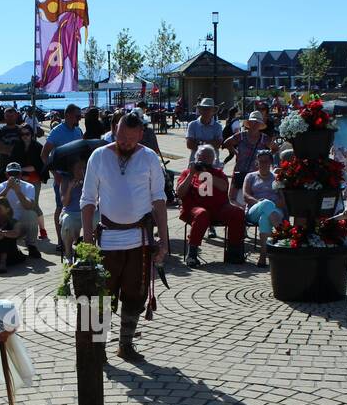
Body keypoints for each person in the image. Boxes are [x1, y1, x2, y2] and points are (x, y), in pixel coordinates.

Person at [80, 111, 168, 362]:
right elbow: (87, 201)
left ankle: (125, 345)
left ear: (141, 134)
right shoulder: (98, 156)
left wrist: (163, 240)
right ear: (114, 130)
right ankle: (98, 350)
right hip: (107, 241)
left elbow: (159, 200)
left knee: (135, 295)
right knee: (100, 297)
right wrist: (87, 243)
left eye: (131, 138)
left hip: (139, 241)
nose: (125, 142)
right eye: (121, 136)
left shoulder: (149, 158)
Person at [176, 145, 241, 268]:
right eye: (201, 157)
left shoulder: (218, 173)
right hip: (194, 210)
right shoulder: (187, 173)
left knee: (237, 212)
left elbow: (223, 187)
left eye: (208, 158)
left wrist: (206, 173)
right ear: (196, 158)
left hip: (218, 209)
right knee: (202, 214)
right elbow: (180, 193)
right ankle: (192, 254)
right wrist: (192, 174)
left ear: (213, 160)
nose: (204, 160)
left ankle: (234, 251)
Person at [42, 104, 85, 234]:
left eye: (80, 116)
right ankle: (61, 241)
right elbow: (44, 155)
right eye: (77, 116)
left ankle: (76, 238)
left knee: (79, 206)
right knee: (61, 207)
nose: (79, 119)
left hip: (77, 176)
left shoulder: (78, 131)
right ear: (67, 115)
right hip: (62, 177)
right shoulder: (57, 132)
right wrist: (55, 174)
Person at [243, 149, 284, 268]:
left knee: (264, 218)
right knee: (266, 204)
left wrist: (270, 206)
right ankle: (282, 234)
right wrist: (259, 203)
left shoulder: (277, 178)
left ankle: (263, 256)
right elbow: (245, 196)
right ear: (257, 162)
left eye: (266, 161)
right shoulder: (250, 176)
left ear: (271, 162)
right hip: (254, 209)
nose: (263, 164)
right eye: (261, 161)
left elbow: (283, 200)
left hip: (275, 211)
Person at [0, 162, 42, 260]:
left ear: (20, 174)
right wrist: (7, 189)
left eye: (16, 174)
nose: (14, 176)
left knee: (32, 214)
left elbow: (29, 206)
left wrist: (18, 191)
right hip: (7, 223)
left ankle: (31, 246)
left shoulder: (28, 187)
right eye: (11, 174)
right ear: (7, 175)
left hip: (22, 224)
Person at [222, 112, 271, 206]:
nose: (255, 124)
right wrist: (235, 152)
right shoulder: (241, 136)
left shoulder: (264, 139)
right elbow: (226, 143)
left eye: (257, 122)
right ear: (249, 123)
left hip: (256, 175)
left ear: (260, 125)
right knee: (234, 199)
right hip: (240, 172)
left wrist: (266, 158)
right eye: (253, 122)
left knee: (254, 201)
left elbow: (275, 148)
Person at [10, 124, 48, 239]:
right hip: (20, 178)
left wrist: (21, 170)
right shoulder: (17, 147)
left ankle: (42, 230)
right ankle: (23, 230)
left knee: (34, 204)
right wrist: (20, 175)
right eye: (22, 134)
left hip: (35, 179)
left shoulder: (37, 147)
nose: (25, 136)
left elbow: (37, 166)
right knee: (20, 204)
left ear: (31, 134)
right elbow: (13, 165)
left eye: (27, 134)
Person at [58, 157, 87, 260]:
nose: (82, 170)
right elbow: (65, 203)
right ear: (73, 170)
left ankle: (90, 249)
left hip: (86, 212)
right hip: (71, 212)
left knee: (98, 219)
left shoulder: (88, 179)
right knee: (67, 222)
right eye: (79, 168)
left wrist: (86, 186)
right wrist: (70, 188)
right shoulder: (65, 181)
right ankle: (68, 251)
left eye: (84, 167)